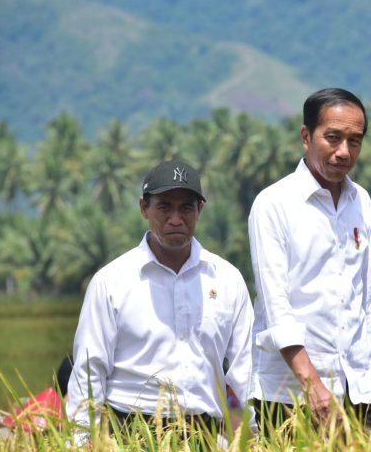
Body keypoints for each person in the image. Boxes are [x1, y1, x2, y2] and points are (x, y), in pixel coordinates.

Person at [66, 160, 254, 445]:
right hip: (130, 434)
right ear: (144, 208)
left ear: (200, 209)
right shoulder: (112, 282)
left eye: (186, 207)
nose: (176, 218)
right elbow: (89, 371)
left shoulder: (227, 280)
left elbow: (244, 369)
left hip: (202, 435)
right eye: (165, 206)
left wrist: (247, 437)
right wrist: (82, 442)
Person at [248, 88, 371, 434]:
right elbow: (276, 306)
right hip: (292, 396)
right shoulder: (274, 204)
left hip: (360, 387)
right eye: (332, 138)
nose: (343, 151)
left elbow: (369, 295)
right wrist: (312, 384)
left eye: (355, 141)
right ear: (306, 136)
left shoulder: (361, 201)